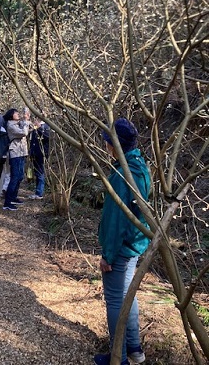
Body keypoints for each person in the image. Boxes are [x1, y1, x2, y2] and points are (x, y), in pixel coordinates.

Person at [94, 118, 150, 365]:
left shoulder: (121, 176)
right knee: (128, 296)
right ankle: (135, 350)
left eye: (107, 142)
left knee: (116, 300)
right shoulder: (140, 166)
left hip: (123, 247)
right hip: (135, 244)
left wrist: (108, 254)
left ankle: (120, 358)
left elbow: (115, 221)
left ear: (113, 145)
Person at [3, 107, 33, 211]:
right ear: (11, 115)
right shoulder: (10, 125)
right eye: (16, 113)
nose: (18, 115)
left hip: (22, 152)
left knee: (20, 176)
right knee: (15, 177)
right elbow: (24, 133)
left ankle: (13, 198)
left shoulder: (18, 123)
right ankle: (7, 202)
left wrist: (27, 121)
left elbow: (28, 129)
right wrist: (25, 121)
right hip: (15, 153)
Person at [29, 117, 50, 199]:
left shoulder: (46, 126)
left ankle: (39, 193)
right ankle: (37, 192)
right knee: (37, 173)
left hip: (42, 154)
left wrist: (39, 128)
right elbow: (32, 141)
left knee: (40, 173)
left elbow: (47, 137)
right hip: (35, 154)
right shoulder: (35, 128)